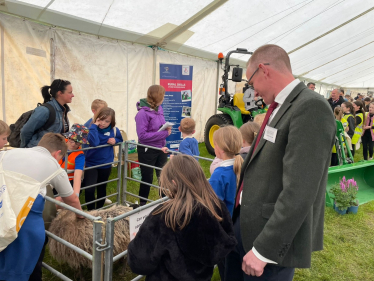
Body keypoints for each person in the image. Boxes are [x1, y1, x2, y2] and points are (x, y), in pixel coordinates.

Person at [225, 44, 335, 281]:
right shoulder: (280, 105)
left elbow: (300, 191)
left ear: (264, 70)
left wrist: (264, 250)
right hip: (246, 224)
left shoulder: (310, 107)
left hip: (267, 242)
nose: (253, 91)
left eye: (251, 82)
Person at [127, 154, 237, 281]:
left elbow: (139, 263)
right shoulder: (216, 206)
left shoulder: (164, 216)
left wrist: (139, 242)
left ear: (174, 183)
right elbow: (226, 242)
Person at [0, 133, 83, 281]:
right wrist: (81, 215)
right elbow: (72, 200)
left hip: (3, 212)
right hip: (25, 223)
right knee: (26, 260)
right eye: (60, 158)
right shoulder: (52, 164)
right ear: (57, 153)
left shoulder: (9, 152)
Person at [135, 85, 171, 205]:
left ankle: (165, 204)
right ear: (157, 96)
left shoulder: (159, 109)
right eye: (163, 95)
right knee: (147, 178)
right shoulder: (142, 113)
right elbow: (142, 136)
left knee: (163, 176)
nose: (164, 98)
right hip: (147, 150)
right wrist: (164, 134)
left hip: (160, 148)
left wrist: (166, 127)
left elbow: (157, 128)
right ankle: (142, 205)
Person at [84, 107, 123, 210]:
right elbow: (95, 143)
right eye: (101, 119)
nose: (103, 123)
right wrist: (94, 127)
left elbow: (120, 139)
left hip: (105, 164)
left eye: (107, 121)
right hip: (91, 163)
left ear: (111, 121)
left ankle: (99, 210)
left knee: (101, 188)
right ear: (97, 118)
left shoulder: (114, 130)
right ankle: (91, 212)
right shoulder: (92, 129)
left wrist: (115, 140)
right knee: (89, 189)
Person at [20, 79, 73, 148]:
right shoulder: (44, 110)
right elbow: (26, 131)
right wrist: (25, 148)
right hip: (38, 153)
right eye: (70, 92)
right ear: (60, 93)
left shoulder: (63, 110)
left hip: (52, 154)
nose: (73, 95)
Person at [209, 126, 243, 217]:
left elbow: (213, 208)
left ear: (221, 149)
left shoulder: (218, 175)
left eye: (215, 144)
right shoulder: (242, 166)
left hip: (223, 224)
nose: (214, 147)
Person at [54, 124, 89, 201]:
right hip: (53, 177)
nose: (73, 144)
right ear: (68, 136)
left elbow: (77, 175)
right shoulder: (60, 144)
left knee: (60, 200)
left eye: (77, 142)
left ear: (81, 143)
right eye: (71, 140)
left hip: (68, 181)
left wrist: (75, 195)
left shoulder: (80, 155)